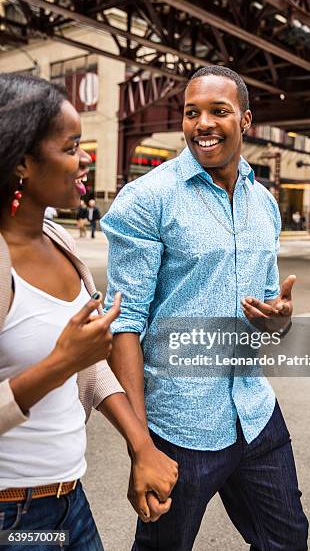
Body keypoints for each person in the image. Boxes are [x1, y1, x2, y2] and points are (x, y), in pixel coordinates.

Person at [102, 66, 309, 550]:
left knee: (289, 541)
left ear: (246, 120)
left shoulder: (264, 203)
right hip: (180, 427)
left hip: (255, 413)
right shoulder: (148, 199)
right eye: (192, 112)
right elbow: (125, 326)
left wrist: (279, 321)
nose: (204, 123)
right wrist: (142, 446)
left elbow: (267, 317)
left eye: (219, 111)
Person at [0, 74, 178, 550]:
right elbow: (72, 361)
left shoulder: (61, 241)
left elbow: (91, 368)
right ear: (21, 161)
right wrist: (61, 362)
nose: (85, 159)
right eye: (71, 146)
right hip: (10, 517)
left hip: (69, 501)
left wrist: (141, 446)